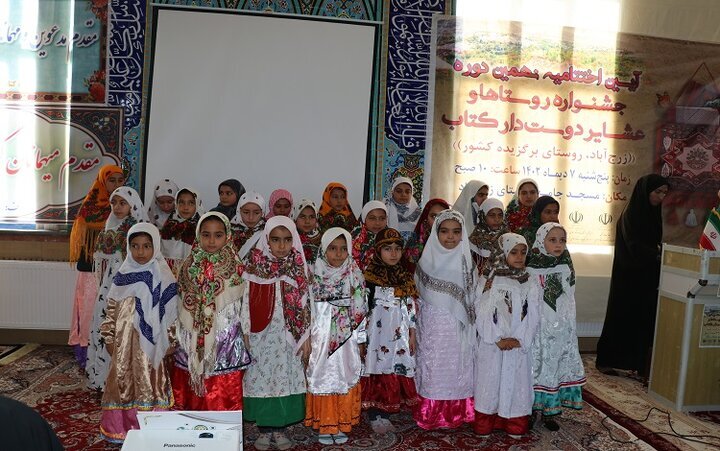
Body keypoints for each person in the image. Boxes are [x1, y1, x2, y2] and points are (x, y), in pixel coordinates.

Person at [99, 223, 178, 442]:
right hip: (124, 345)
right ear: (128, 247)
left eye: (146, 246)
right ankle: (123, 429)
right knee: (122, 380)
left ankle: (152, 429)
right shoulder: (123, 275)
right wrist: (108, 335)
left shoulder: (163, 275)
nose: (140, 252)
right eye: (135, 246)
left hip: (153, 346)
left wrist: (171, 338)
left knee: (150, 382)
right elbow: (111, 309)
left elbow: (171, 313)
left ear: (156, 247)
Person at [241, 216, 312, 451]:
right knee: (262, 378)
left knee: (285, 378)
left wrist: (307, 337)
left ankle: (280, 428)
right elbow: (244, 302)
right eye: (275, 240)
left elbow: (306, 304)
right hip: (261, 336)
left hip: (288, 337)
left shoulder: (299, 269)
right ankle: (264, 428)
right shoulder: (254, 267)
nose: (281, 246)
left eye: (287, 240)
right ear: (266, 240)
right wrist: (245, 332)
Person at [172, 212, 251, 410]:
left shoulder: (236, 268)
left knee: (223, 392)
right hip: (191, 336)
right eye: (206, 235)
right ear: (198, 235)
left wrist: (247, 335)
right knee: (192, 394)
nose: (212, 240)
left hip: (225, 337)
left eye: (218, 235)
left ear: (227, 236)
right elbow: (180, 303)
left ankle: (225, 434)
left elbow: (244, 304)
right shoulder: (188, 266)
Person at [596, 174, 669, 378]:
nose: (661, 197)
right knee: (622, 317)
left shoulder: (652, 213)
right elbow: (633, 245)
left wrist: (658, 251)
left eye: (664, 193)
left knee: (642, 320)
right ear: (645, 192)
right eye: (657, 192)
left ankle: (636, 363)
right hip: (629, 277)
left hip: (646, 277)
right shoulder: (632, 214)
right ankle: (608, 360)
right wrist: (655, 252)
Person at [413, 210, 476, 430]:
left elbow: (471, 295)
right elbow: (419, 293)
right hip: (433, 324)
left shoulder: (465, 260)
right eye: (445, 231)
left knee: (457, 366)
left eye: (456, 232)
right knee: (434, 366)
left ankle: (458, 412)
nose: (450, 237)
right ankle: (431, 413)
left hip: (457, 327)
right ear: (435, 233)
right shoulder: (427, 260)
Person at [473, 233, 540, 439]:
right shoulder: (490, 278)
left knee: (517, 382)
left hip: (518, 345)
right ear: (503, 253)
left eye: (523, 252)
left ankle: (515, 423)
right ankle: (486, 422)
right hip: (494, 344)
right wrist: (496, 338)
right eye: (513, 252)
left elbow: (534, 313)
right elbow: (482, 310)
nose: (519, 257)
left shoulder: (529, 280)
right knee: (490, 381)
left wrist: (519, 339)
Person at [305, 228, 367, 445]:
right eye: (332, 248)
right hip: (320, 336)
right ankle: (325, 424)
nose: (338, 254)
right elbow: (308, 309)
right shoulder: (313, 274)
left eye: (343, 249)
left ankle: (340, 423)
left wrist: (360, 339)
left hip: (347, 338)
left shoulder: (354, 273)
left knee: (344, 375)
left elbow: (360, 309)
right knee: (322, 376)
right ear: (323, 250)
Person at [87, 187, 147, 390]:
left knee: (129, 328)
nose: (118, 207)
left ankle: (130, 381)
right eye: (114, 203)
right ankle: (105, 379)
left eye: (123, 203)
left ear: (133, 205)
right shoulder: (110, 225)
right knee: (108, 325)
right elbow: (102, 261)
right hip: (111, 283)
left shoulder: (140, 228)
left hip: (135, 286)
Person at [527, 223, 585, 431]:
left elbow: (569, 297)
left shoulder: (566, 263)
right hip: (538, 328)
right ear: (541, 241)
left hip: (560, 327)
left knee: (555, 366)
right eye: (552, 240)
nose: (558, 244)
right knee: (536, 365)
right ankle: (532, 410)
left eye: (562, 240)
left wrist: (567, 325)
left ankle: (550, 412)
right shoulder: (531, 265)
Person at [362, 228, 419, 434]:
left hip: (399, 337)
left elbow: (411, 306)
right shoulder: (369, 277)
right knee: (376, 371)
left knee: (393, 370)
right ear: (378, 251)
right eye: (387, 249)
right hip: (376, 338)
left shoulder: (405, 276)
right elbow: (362, 309)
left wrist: (412, 333)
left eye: (397, 249)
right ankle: (374, 415)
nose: (393, 253)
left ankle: (385, 413)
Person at [68, 165, 124, 367]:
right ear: (102, 181)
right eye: (112, 180)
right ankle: (87, 353)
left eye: (120, 180)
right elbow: (83, 243)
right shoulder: (90, 208)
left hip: (117, 272)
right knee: (90, 309)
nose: (116, 185)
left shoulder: (127, 206)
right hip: (92, 271)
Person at [160, 187, 204, 273]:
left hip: (192, 272)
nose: (185, 207)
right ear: (176, 204)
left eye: (191, 203)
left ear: (197, 204)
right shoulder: (169, 225)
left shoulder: (202, 227)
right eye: (181, 203)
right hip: (168, 272)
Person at [403, 198, 450, 274]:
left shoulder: (452, 239)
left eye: (442, 216)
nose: (437, 221)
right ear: (426, 217)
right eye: (433, 216)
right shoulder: (417, 241)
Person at [469, 198, 509, 277]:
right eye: (491, 215)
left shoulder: (509, 239)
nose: (496, 219)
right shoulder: (473, 242)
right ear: (483, 216)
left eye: (500, 215)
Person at [351, 200, 388, 271]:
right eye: (372, 218)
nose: (377, 223)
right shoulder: (354, 240)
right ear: (364, 219)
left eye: (382, 218)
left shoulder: (391, 238)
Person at [230, 192, 266, 259]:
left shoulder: (268, 233)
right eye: (246, 212)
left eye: (256, 213)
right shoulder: (228, 232)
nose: (251, 217)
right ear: (239, 211)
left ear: (262, 213)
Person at [385, 177, 422, 241]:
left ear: (412, 193)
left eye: (407, 192)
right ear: (392, 192)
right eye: (399, 191)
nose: (403, 194)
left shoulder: (419, 214)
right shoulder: (385, 210)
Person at [293, 198, 322, 266]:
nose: (307, 221)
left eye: (312, 217)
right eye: (303, 217)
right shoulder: (289, 239)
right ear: (295, 218)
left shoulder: (323, 240)